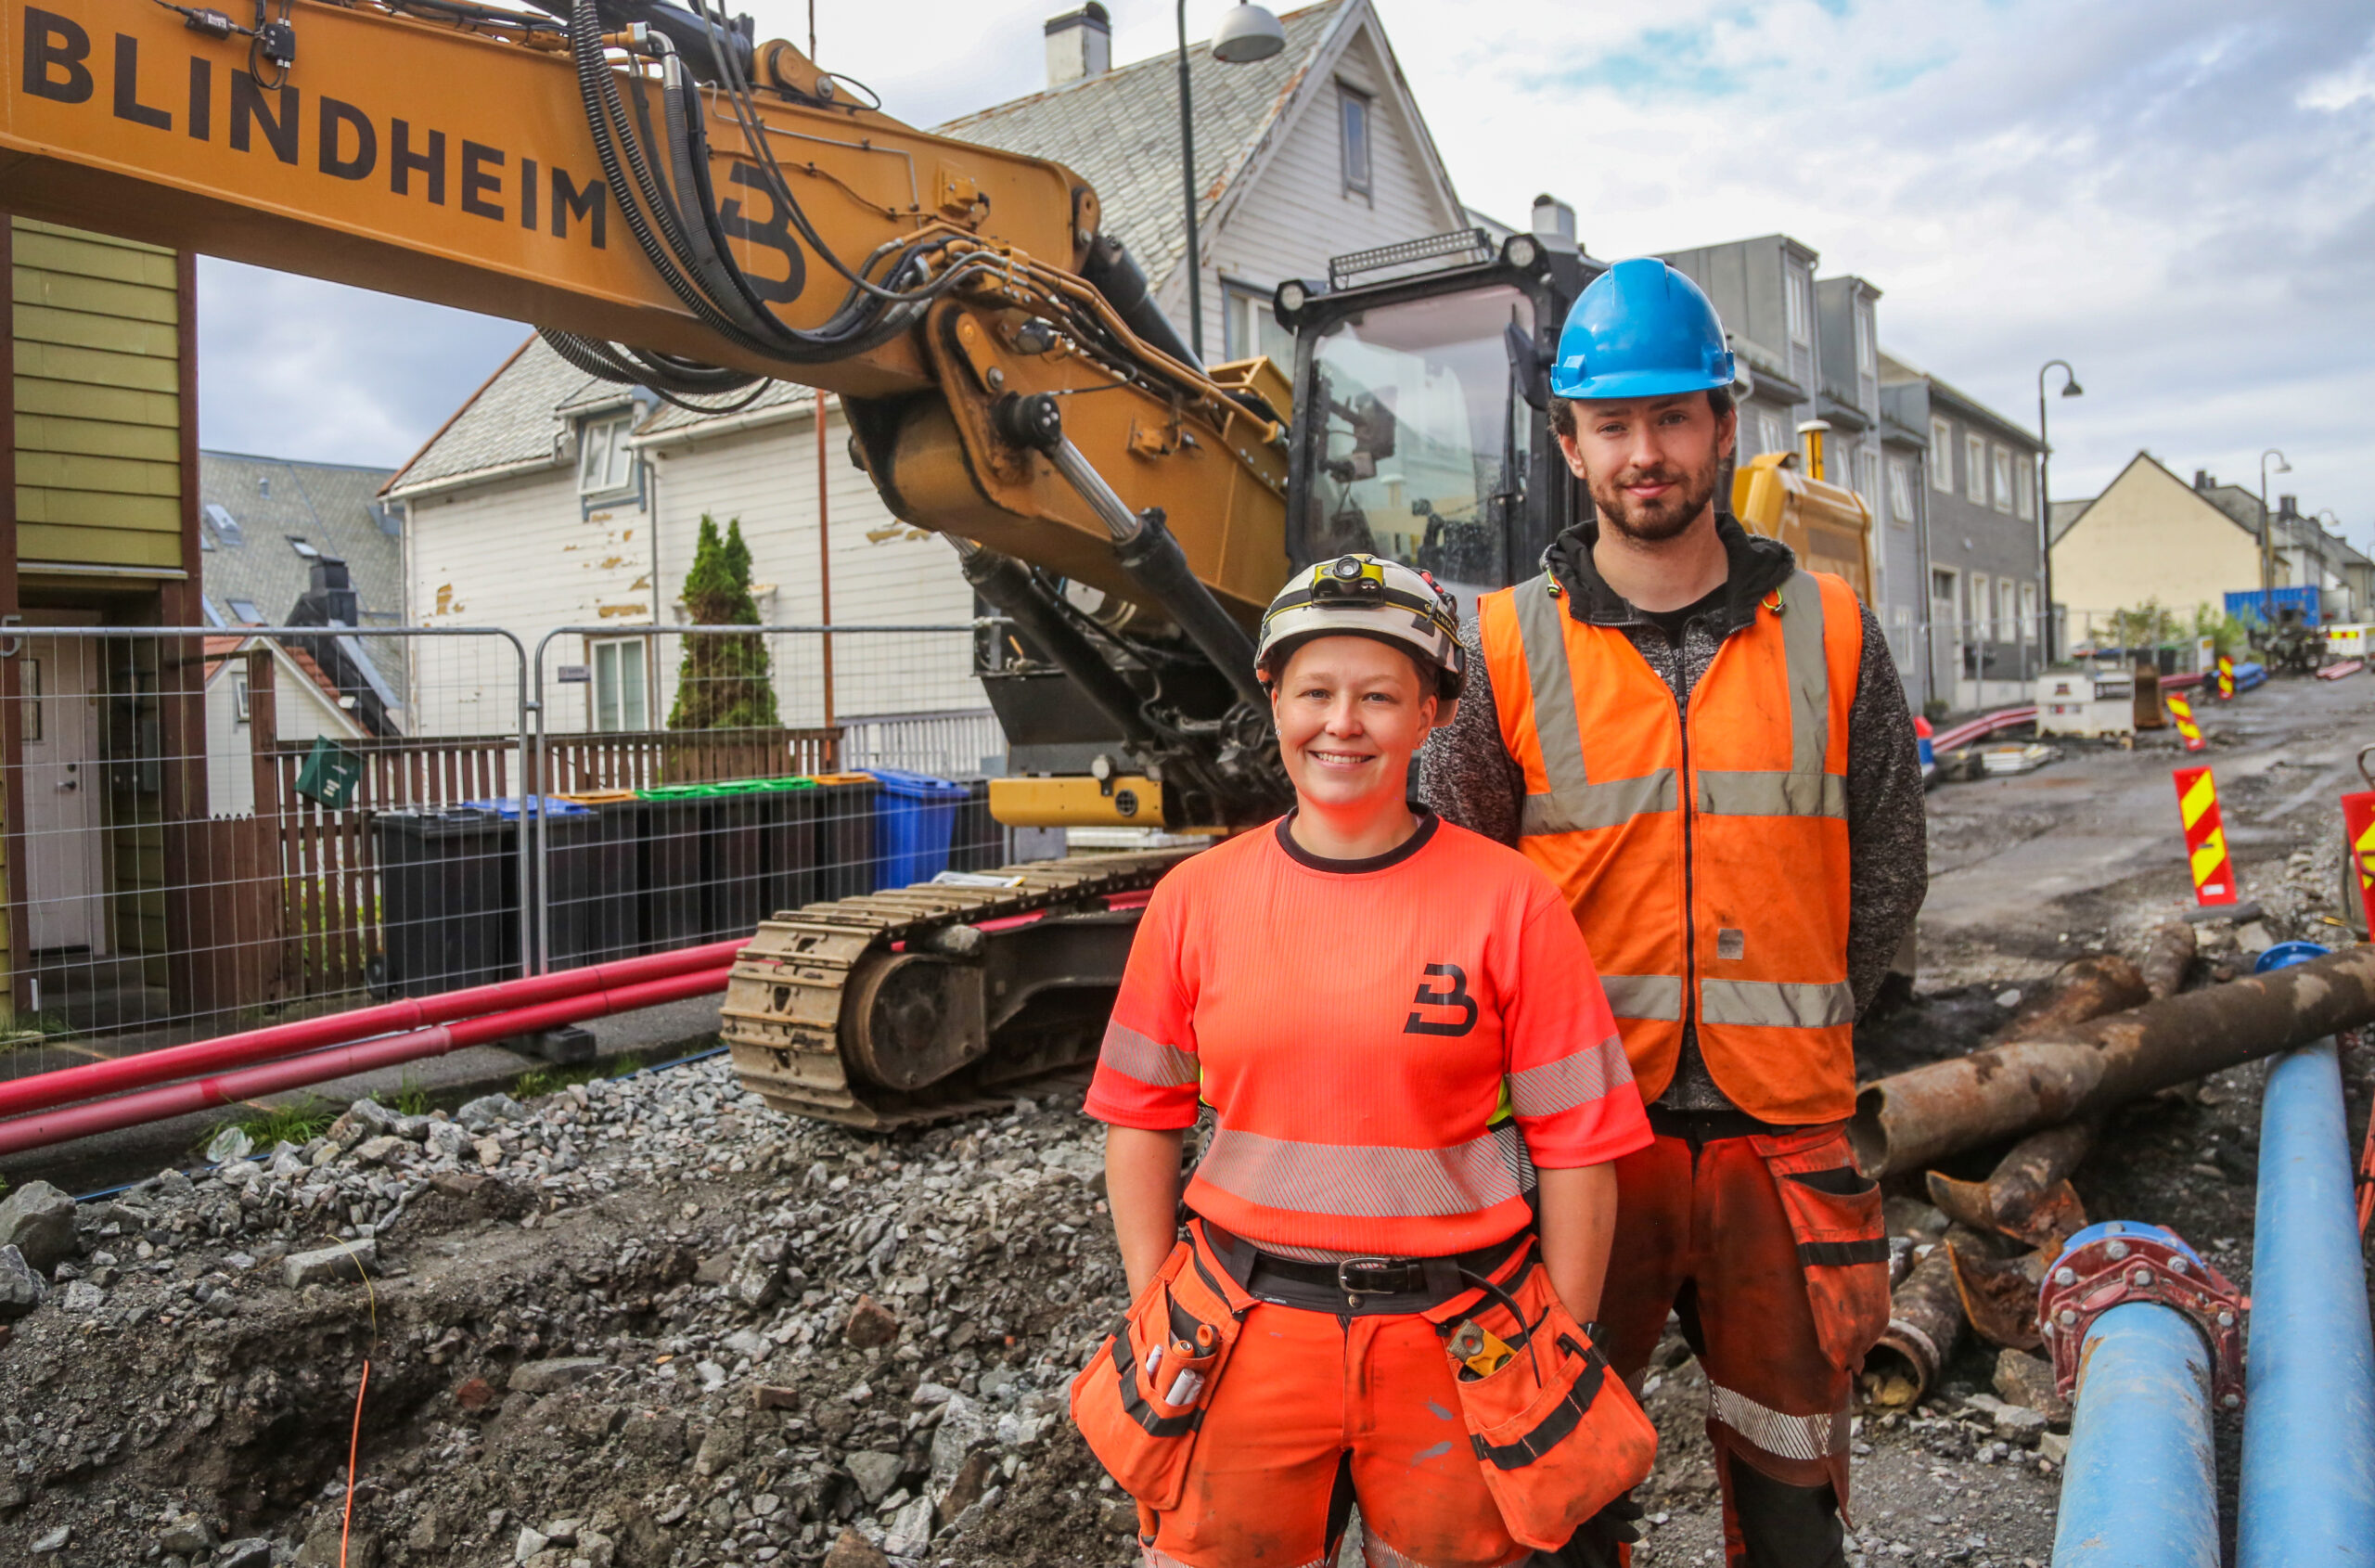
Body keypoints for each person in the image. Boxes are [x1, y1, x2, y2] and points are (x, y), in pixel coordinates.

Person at [1422, 258, 1930, 1568]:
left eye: (1671, 419)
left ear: (1722, 424)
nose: (1643, 453)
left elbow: (1889, 873)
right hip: (1584, 1152)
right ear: (1570, 440)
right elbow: (1451, 898)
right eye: (1613, 425)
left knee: (1790, 1485)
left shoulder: (1835, 633)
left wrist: (1811, 1015)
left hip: (1786, 1146)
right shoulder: (1501, 649)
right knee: (1563, 1489)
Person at [1073, 555, 1656, 1568]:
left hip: (1456, 1333)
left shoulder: (1511, 904)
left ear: (1429, 712)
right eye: (1316, 691)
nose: (1342, 722)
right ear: (1274, 699)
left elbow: (1579, 1146)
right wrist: (1147, 1291)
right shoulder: (1196, 901)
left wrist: (1564, 1335)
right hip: (1240, 1330)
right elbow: (1141, 1116)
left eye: (1379, 695)